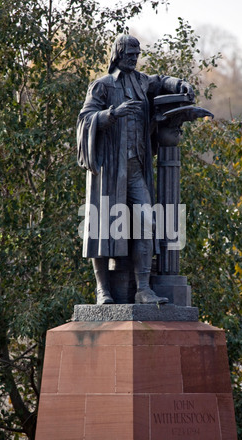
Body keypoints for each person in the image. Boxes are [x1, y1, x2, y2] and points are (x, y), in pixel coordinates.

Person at [77, 34, 194, 304]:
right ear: (117, 53)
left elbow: (162, 80)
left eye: (137, 53)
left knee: (147, 222)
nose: (134, 57)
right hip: (108, 170)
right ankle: (102, 291)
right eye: (129, 53)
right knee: (103, 226)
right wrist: (111, 114)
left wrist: (181, 83)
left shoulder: (142, 82)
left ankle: (143, 289)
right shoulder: (102, 86)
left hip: (136, 168)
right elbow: (84, 120)